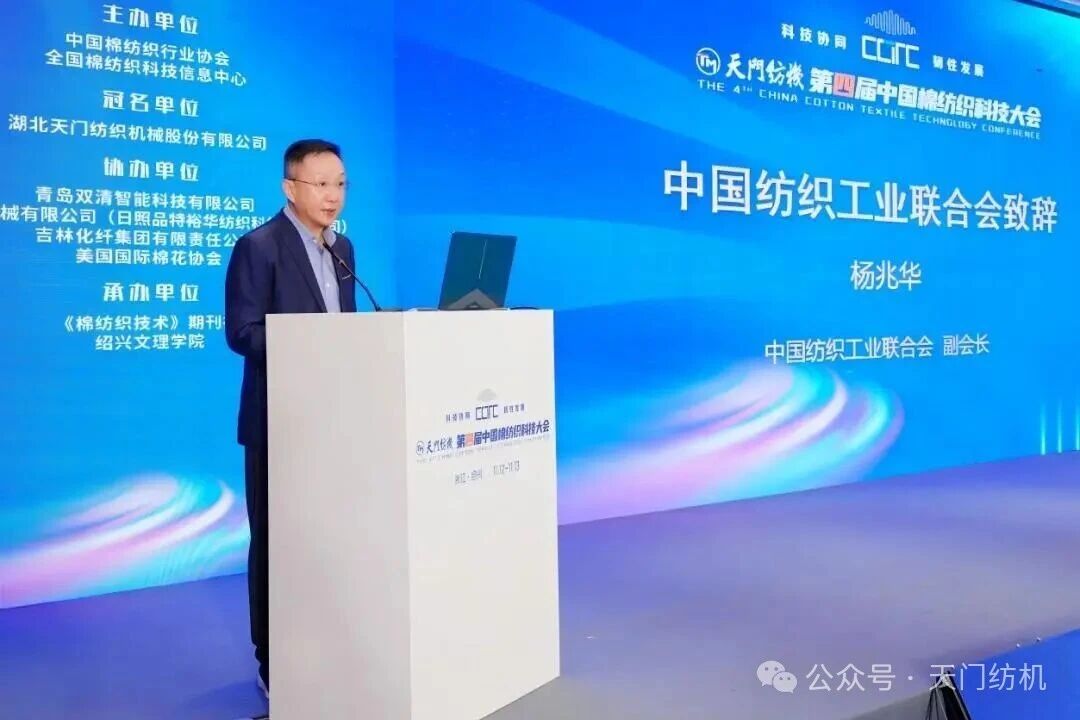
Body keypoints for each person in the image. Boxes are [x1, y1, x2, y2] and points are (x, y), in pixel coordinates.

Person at [224, 139, 358, 698]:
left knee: (327, 540)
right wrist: (308, 348)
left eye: (340, 184)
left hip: (334, 423)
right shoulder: (259, 246)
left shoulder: (343, 248)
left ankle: (327, 647)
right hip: (278, 423)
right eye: (320, 184)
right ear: (290, 188)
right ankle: (272, 663)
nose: (332, 196)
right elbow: (242, 332)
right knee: (275, 544)